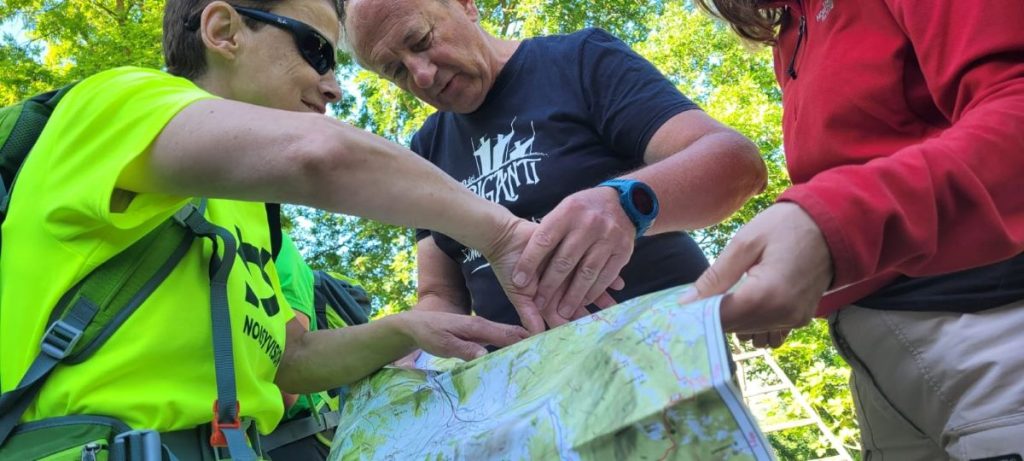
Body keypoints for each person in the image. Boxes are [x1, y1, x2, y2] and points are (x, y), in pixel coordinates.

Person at [0, 0, 620, 457]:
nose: (334, 85)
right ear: (223, 31)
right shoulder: (116, 104)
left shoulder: (248, 213)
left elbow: (289, 360)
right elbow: (321, 155)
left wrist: (408, 328)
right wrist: (504, 235)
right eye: (317, 50)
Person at [682, 0, 1024, 458]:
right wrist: (803, 277)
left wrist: (833, 225)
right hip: (877, 370)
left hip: (985, 325)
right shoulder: (790, 35)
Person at [339, 0, 767, 338]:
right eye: (395, 70)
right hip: (527, 395)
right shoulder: (426, 147)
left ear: (465, 4)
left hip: (663, 352)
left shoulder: (578, 60)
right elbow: (440, 295)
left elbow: (735, 162)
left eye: (421, 40)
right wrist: (406, 345)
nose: (423, 75)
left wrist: (624, 204)